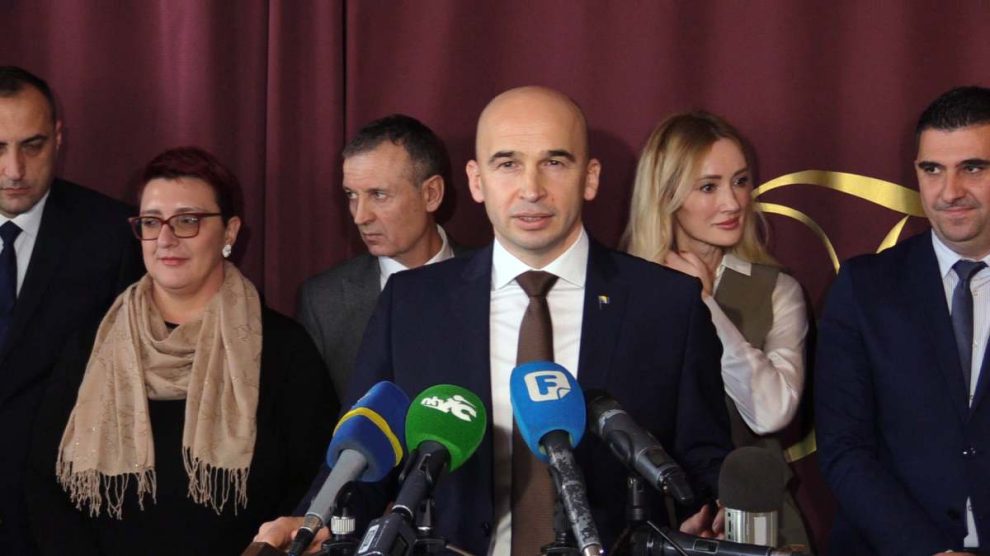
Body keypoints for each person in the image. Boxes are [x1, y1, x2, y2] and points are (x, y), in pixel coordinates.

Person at [257, 86, 731, 555]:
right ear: (476, 180)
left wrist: (713, 511)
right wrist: (314, 521)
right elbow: (364, 457)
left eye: (554, 162)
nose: (531, 189)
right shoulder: (412, 303)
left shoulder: (667, 304)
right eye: (508, 164)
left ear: (590, 178)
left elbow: (703, 463)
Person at [26, 147, 337, 555]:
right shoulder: (91, 342)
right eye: (151, 222)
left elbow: (314, 487)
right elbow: (44, 484)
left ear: (230, 232)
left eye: (188, 221)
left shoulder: (283, 350)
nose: (166, 239)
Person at [622, 111, 809, 548]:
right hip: (645, 525)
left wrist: (703, 302)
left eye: (740, 182)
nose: (733, 202)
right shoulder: (620, 289)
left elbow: (771, 411)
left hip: (756, 527)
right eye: (708, 187)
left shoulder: (776, 290)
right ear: (666, 196)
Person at [816, 86, 990, 555]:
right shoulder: (864, 288)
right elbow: (844, 447)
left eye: (972, 168)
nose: (949, 192)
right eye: (932, 170)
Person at [0, 66, 143, 555]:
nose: (14, 169)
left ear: (59, 138)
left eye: (32, 145)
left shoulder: (112, 235)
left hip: (58, 523)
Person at [296, 114, 465, 398]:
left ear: (431, 194)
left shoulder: (499, 281)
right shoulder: (322, 301)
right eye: (352, 195)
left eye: (378, 195)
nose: (360, 216)